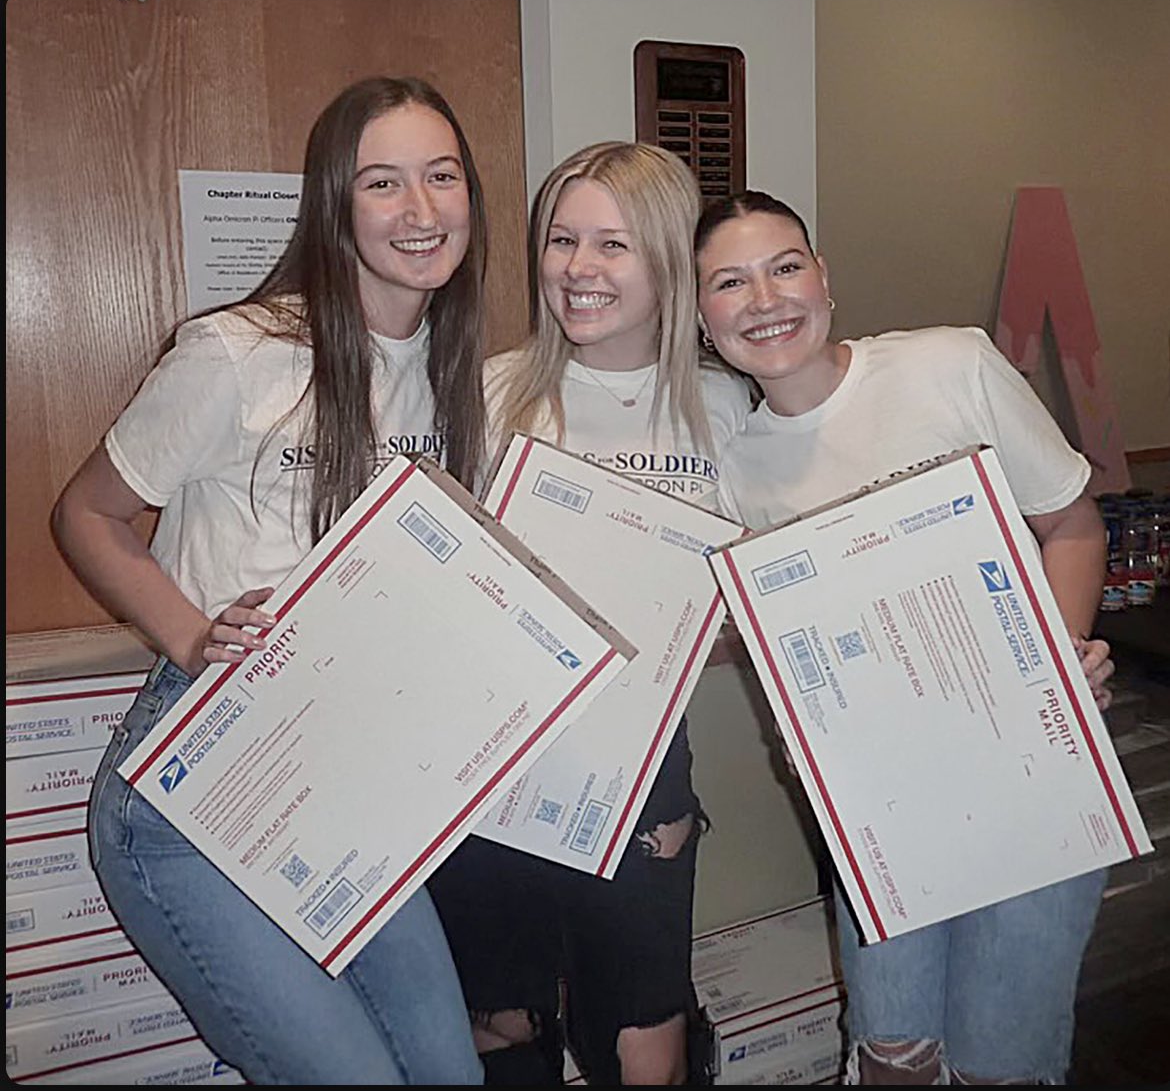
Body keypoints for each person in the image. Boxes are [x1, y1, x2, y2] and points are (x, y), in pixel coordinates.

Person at [49, 75, 489, 1085]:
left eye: (442, 176)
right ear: (335, 201)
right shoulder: (241, 351)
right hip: (195, 792)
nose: (421, 211)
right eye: (384, 182)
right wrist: (194, 635)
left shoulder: (459, 373)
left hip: (344, 786)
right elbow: (86, 512)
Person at [693, 189, 1117, 1086]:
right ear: (703, 319)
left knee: (1002, 1059)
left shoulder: (949, 366)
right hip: (881, 805)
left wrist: (1055, 667)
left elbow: (1075, 530)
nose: (764, 299)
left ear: (824, 280)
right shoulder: (737, 470)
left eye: (784, 267)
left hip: (1028, 781)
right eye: (729, 283)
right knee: (892, 1049)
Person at [427, 141, 753, 1086]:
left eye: (612, 245)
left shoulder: (726, 406)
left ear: (665, 262)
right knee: (501, 1028)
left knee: (644, 1035)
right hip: (495, 763)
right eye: (561, 240)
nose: (579, 268)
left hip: (645, 769)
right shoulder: (488, 393)